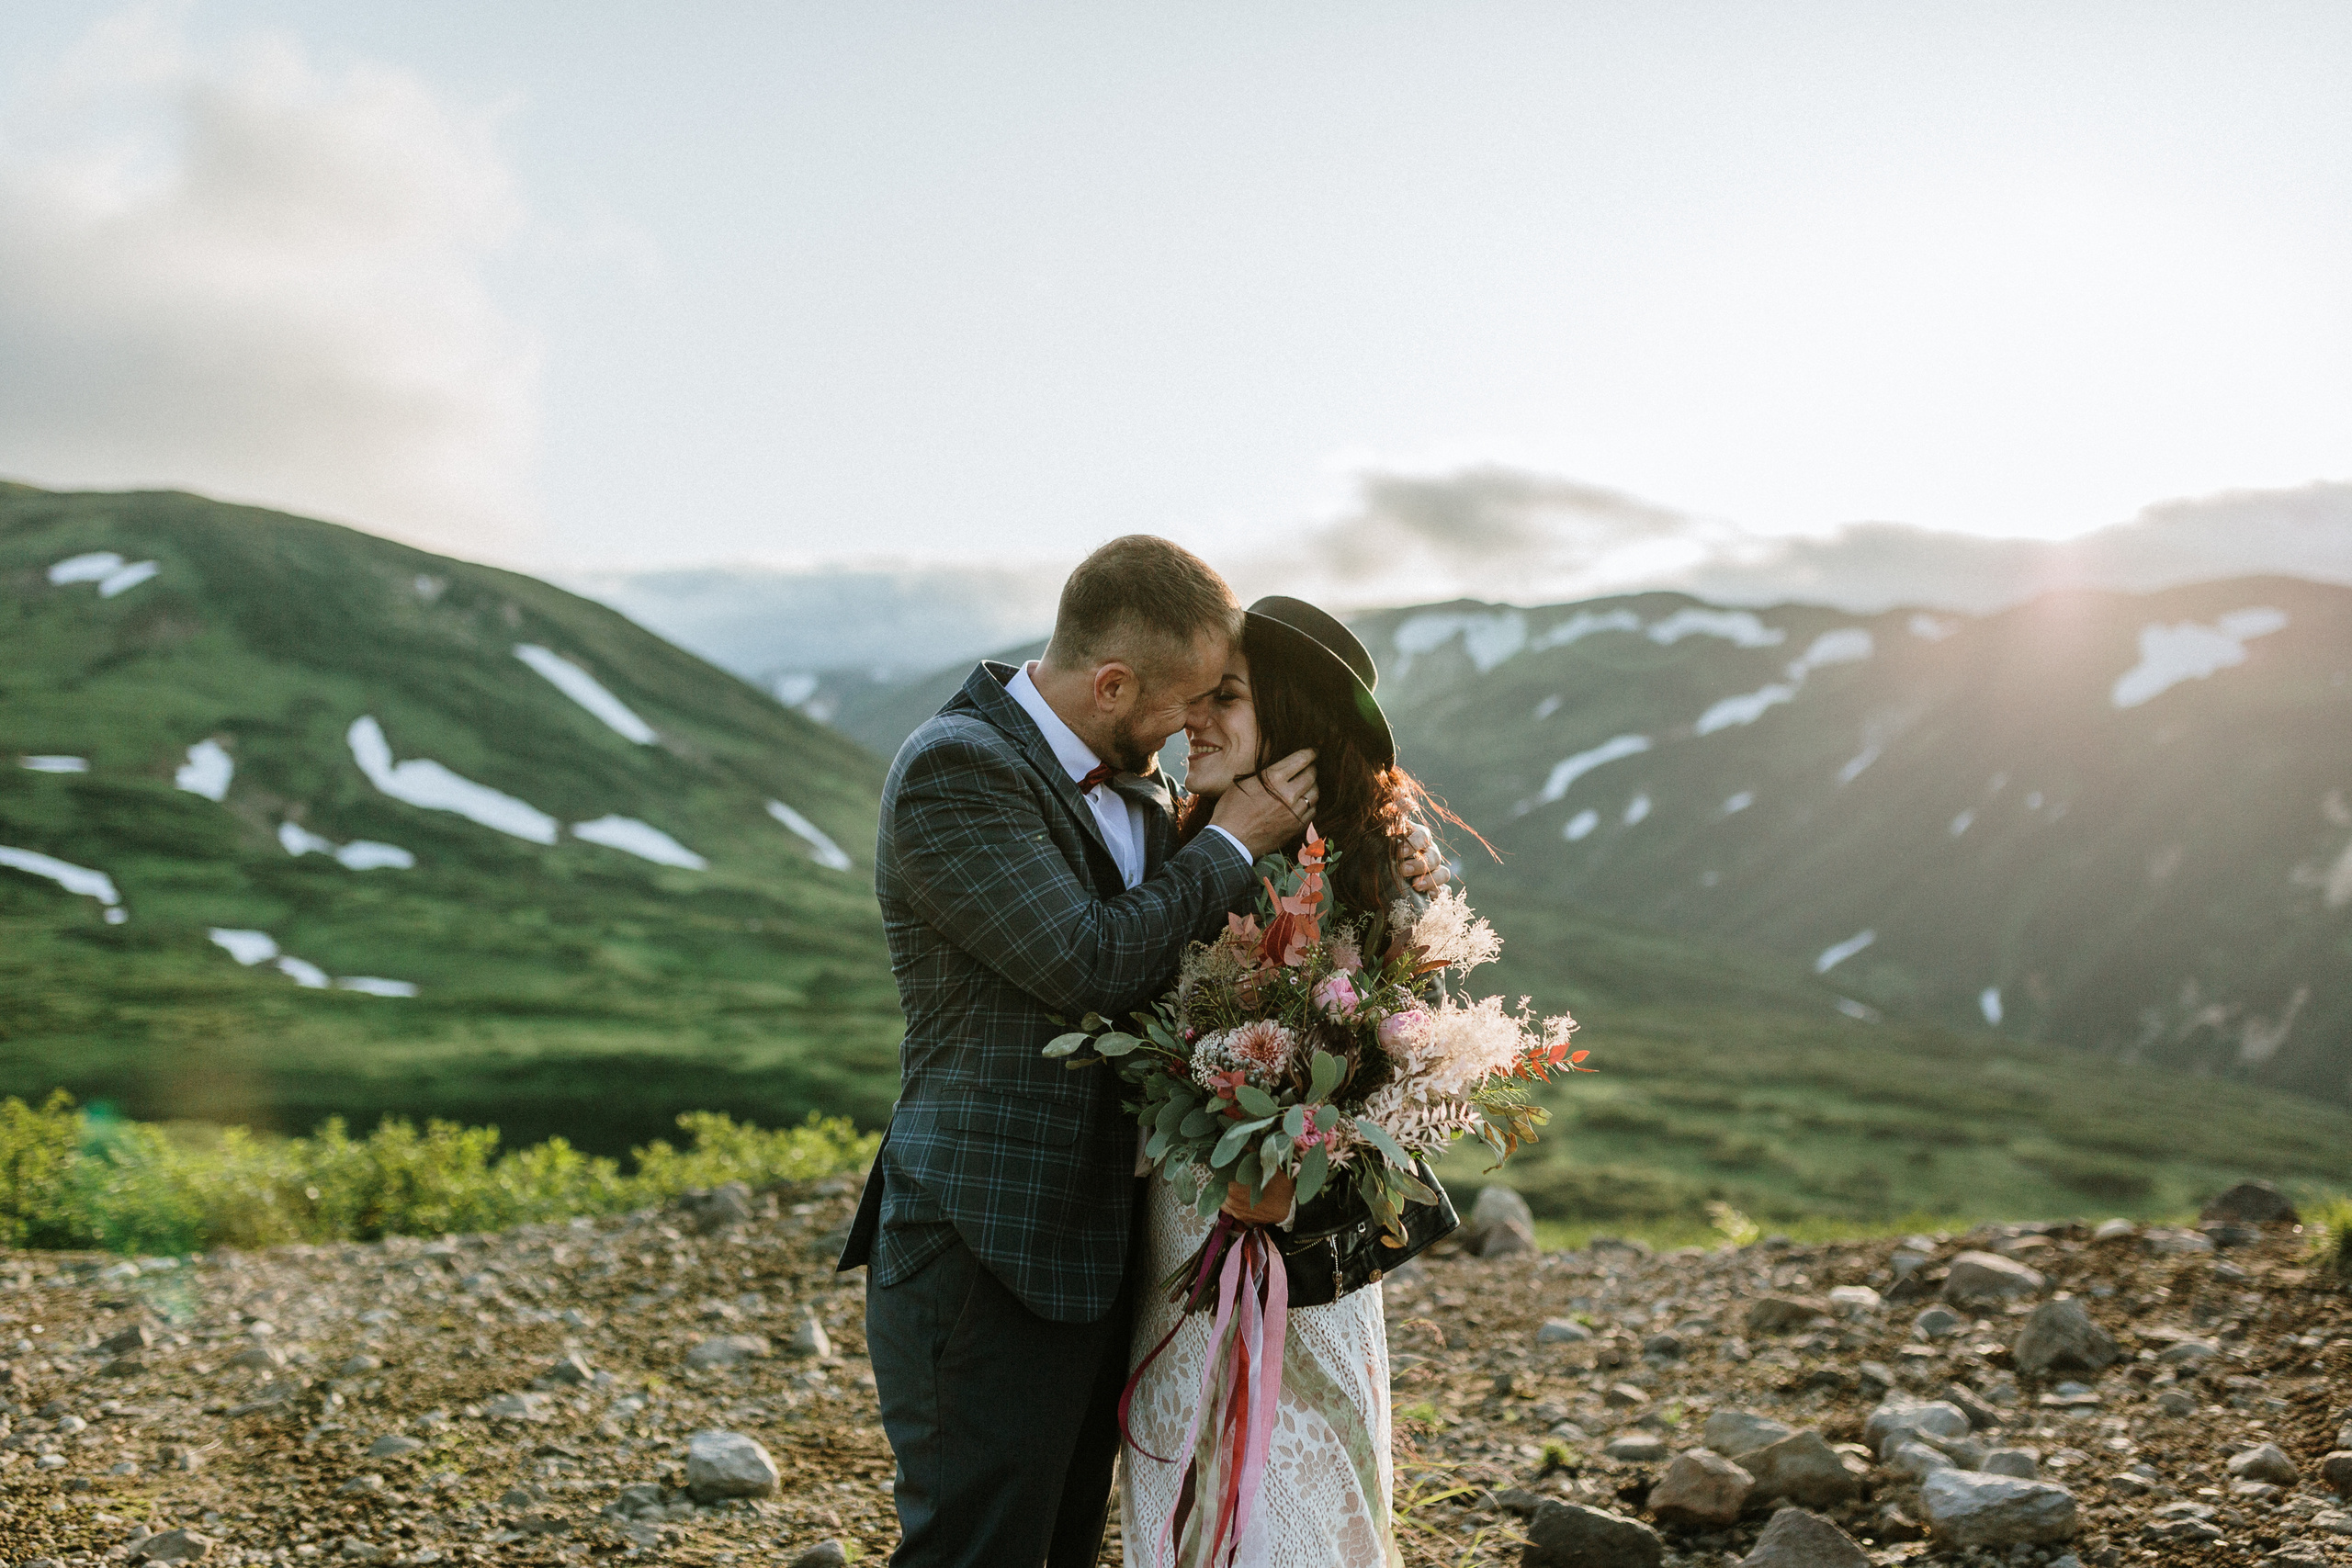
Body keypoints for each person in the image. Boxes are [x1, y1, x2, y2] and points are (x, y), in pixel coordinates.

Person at [838, 539, 1448, 1567]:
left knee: (1072, 1539)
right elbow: (1086, 965)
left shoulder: (1147, 788)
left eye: (1220, 699)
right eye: (1187, 700)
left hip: (1118, 1254)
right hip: (990, 1237)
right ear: (1113, 683)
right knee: (977, 1547)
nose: (1194, 725)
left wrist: (1380, 866)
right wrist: (1228, 842)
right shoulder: (960, 768)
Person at [1123, 594, 1461, 1568]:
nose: (1193, 720)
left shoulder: (1360, 876)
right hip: (1180, 1230)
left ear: (1299, 726)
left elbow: (1406, 1078)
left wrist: (1300, 1155)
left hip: (1284, 1240)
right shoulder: (1196, 846)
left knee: (1297, 1482)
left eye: (1224, 697)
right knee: (1184, 1477)